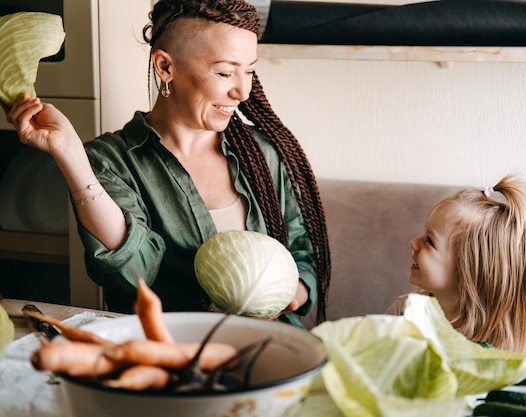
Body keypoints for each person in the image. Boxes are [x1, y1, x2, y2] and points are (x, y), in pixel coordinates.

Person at [3, 0, 331, 328]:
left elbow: (303, 254)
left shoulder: (263, 152)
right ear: (165, 67)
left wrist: (287, 296)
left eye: (248, 71)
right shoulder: (111, 161)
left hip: (272, 345)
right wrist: (70, 154)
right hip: (168, 354)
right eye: (225, 72)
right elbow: (134, 272)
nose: (242, 91)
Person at [386, 174, 526, 365]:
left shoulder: (504, 349)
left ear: (469, 272)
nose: (413, 242)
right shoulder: (402, 312)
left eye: (430, 241)